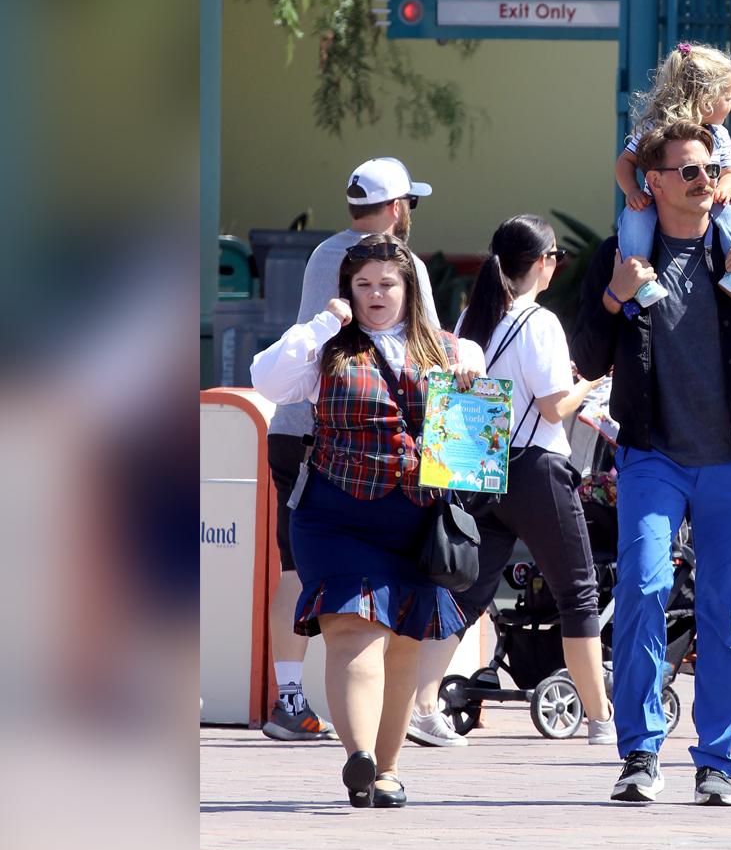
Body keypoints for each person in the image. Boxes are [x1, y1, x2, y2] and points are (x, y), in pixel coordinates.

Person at [572, 121, 731, 806]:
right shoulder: (622, 252)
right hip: (652, 454)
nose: (705, 182)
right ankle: (641, 753)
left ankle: (718, 761)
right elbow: (586, 359)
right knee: (642, 589)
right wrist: (616, 296)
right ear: (653, 182)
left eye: (710, 170)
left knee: (723, 612)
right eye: (689, 172)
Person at [250, 232, 486, 809]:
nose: (376, 294)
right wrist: (320, 325)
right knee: (351, 630)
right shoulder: (326, 348)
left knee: (405, 642)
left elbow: (472, 450)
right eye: (363, 285)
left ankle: (385, 769)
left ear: (409, 289)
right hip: (335, 514)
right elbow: (268, 380)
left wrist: (471, 382)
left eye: (387, 283)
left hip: (415, 518)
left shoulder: (448, 350)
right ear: (346, 291)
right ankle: (358, 756)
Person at [404, 214, 615, 745]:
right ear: (541, 262)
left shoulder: (475, 317)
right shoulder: (538, 322)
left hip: (481, 468)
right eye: (554, 258)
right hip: (536, 470)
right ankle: (599, 718)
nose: (556, 267)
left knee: (468, 594)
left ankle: (423, 707)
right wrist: (589, 378)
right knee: (578, 593)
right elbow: (551, 407)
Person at [261, 156, 440, 742]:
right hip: (352, 441)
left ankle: (290, 692)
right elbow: (431, 347)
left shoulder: (323, 255)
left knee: (295, 567)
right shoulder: (400, 263)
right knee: (361, 607)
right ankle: (385, 724)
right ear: (396, 209)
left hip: (297, 433)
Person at [615, 41, 731, 310]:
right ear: (706, 98)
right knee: (635, 219)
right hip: (656, 205)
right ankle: (640, 278)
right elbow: (625, 162)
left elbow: (730, 171)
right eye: (728, 98)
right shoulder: (654, 128)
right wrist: (633, 191)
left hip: (706, 207)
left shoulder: (719, 135)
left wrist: (725, 189)